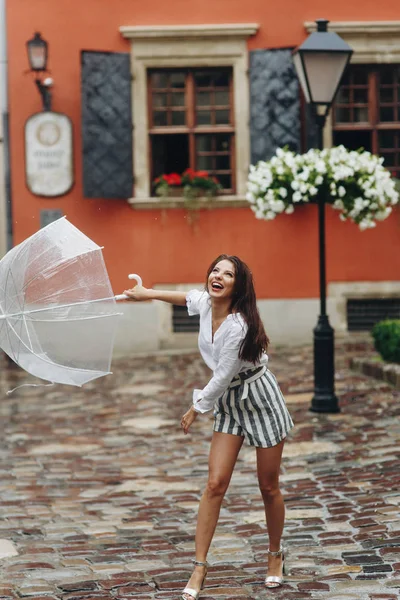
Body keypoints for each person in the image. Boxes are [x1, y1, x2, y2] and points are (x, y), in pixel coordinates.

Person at [123, 254, 294, 599]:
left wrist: (195, 408)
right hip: (230, 402)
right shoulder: (205, 302)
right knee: (215, 484)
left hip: (259, 397)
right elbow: (183, 296)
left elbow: (221, 375)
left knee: (268, 485)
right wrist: (146, 293)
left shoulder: (239, 324)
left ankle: (275, 555)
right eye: (215, 270)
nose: (218, 276)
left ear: (237, 285)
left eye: (227, 274)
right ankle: (200, 565)